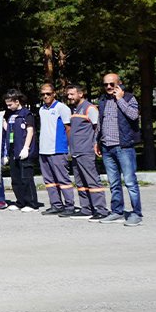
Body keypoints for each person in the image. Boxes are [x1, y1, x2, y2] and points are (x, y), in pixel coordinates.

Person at [97, 73, 143, 226]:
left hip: (124, 147)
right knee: (114, 183)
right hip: (106, 147)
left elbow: (134, 115)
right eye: (106, 85)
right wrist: (96, 141)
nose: (109, 87)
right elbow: (100, 122)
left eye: (112, 84)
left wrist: (120, 99)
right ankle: (117, 211)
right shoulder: (103, 100)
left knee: (130, 182)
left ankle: (136, 213)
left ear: (119, 83)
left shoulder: (129, 98)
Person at [66, 84, 108, 220]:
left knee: (92, 181)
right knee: (81, 183)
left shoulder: (90, 108)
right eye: (68, 94)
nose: (69, 97)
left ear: (80, 94)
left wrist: (97, 144)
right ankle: (86, 208)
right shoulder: (74, 109)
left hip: (86, 151)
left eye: (72, 94)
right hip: (75, 152)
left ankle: (100, 209)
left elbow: (98, 128)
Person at [37, 83, 74, 216]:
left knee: (62, 179)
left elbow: (68, 128)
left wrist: (69, 147)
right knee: (49, 181)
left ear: (54, 94)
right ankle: (56, 204)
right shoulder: (41, 109)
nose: (45, 96)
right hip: (44, 150)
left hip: (58, 149)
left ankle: (70, 205)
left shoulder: (62, 108)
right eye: (43, 94)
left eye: (48, 93)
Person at [5, 90, 41, 212]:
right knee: (15, 179)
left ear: (17, 101)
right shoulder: (10, 115)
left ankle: (31, 203)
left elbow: (30, 131)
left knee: (26, 178)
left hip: (24, 150)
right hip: (13, 150)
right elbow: (8, 130)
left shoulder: (26, 114)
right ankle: (20, 201)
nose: (8, 107)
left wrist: (26, 147)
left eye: (10, 104)